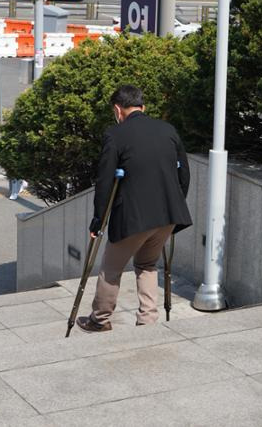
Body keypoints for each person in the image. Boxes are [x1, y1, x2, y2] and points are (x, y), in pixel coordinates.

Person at [77, 85, 193, 333]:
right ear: (143, 106)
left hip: (133, 216)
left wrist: (98, 222)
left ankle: (100, 318)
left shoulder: (115, 135)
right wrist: (177, 203)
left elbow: (105, 181)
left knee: (111, 268)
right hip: (168, 214)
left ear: (118, 110)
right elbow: (184, 172)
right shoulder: (167, 130)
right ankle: (147, 319)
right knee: (147, 264)